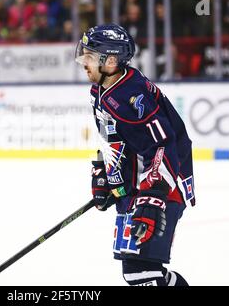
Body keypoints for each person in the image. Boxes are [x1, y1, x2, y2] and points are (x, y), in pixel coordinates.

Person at [75, 24, 195, 286]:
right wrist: (106, 176)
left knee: (141, 272)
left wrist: (152, 199)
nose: (84, 62)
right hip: (140, 186)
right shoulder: (103, 88)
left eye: (91, 56)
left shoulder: (131, 95)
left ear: (111, 60)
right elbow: (116, 139)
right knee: (138, 271)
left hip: (162, 185)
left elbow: (162, 145)